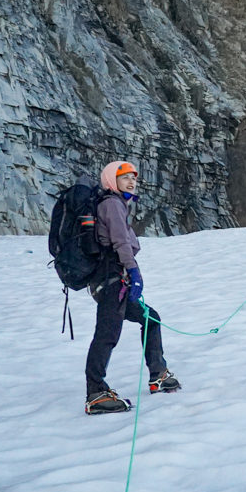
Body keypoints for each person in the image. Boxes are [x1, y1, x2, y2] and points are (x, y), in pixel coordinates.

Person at [84, 160, 181, 415]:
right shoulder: (112, 204)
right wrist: (134, 270)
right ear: (110, 180)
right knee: (107, 334)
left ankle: (158, 373)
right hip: (112, 279)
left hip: (114, 280)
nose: (131, 181)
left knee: (151, 319)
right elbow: (120, 242)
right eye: (124, 177)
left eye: (134, 178)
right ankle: (95, 393)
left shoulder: (112, 203)